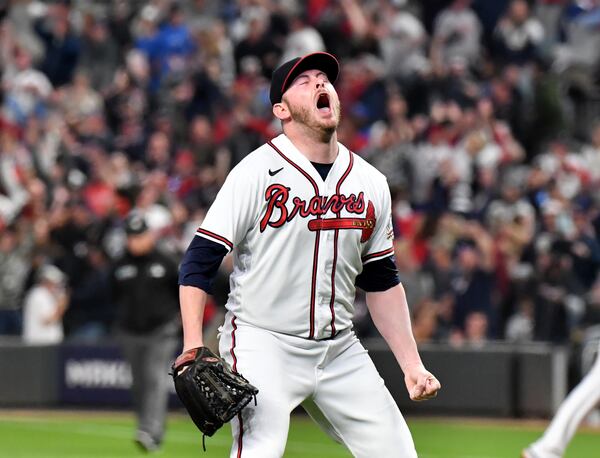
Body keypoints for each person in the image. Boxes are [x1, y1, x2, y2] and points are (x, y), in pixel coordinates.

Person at [177, 51, 441, 458]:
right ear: (281, 109)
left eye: (324, 78)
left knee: (399, 453)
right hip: (263, 341)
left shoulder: (370, 182)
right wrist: (193, 342)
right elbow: (199, 260)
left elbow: (382, 281)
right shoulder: (255, 172)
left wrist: (411, 364)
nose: (320, 84)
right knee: (260, 450)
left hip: (339, 348)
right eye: (304, 81)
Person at [110, 211, 180, 452]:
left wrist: (177, 320)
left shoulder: (165, 261)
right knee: (138, 383)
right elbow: (112, 295)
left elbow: (182, 290)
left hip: (161, 331)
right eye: (131, 236)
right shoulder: (120, 264)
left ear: (149, 235)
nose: (135, 241)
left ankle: (152, 431)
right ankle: (144, 428)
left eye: (139, 235)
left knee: (154, 379)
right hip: (130, 332)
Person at [22, 264, 68, 345]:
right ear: (46, 281)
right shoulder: (39, 295)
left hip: (46, 345)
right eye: (55, 283)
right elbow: (47, 321)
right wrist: (62, 306)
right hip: (40, 344)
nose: (58, 286)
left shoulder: (46, 295)